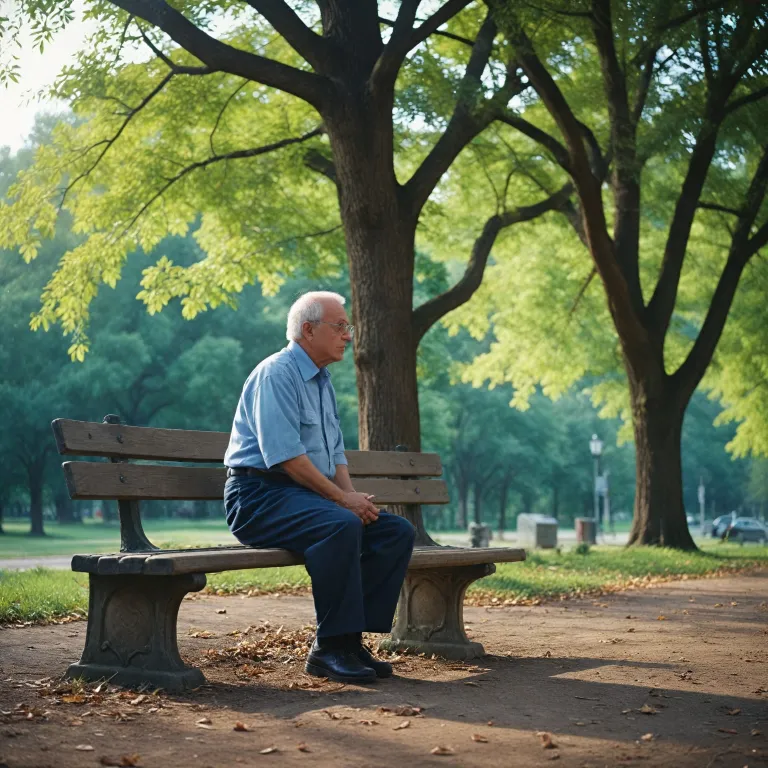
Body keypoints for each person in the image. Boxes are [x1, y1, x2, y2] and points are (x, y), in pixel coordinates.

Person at [223, 291, 415, 683]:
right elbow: (287, 459)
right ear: (308, 330)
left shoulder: (321, 381)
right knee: (339, 525)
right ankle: (328, 648)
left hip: (304, 496)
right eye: (340, 326)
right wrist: (342, 501)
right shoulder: (277, 374)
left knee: (395, 531)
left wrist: (353, 499)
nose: (348, 335)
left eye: (348, 327)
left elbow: (334, 454)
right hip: (257, 498)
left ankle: (349, 640)